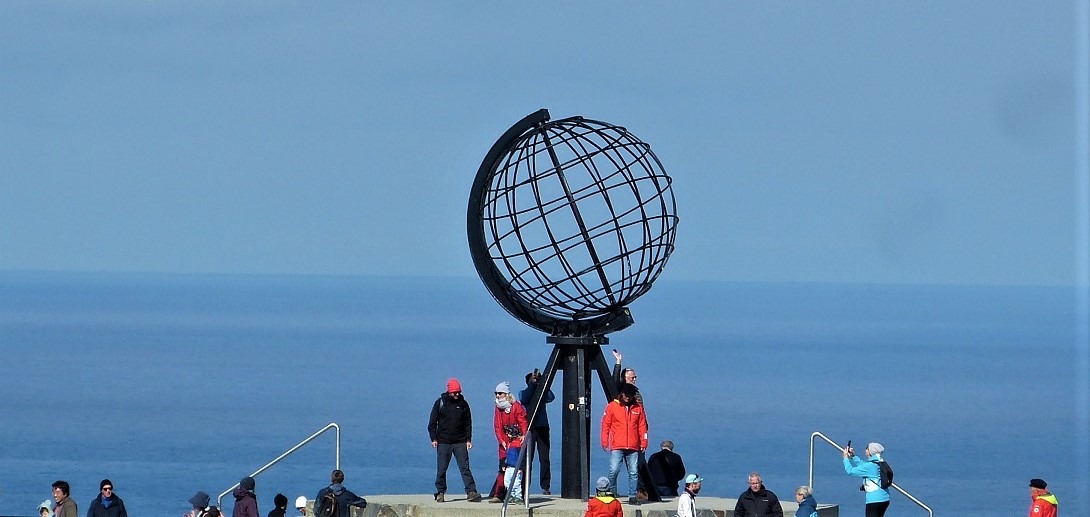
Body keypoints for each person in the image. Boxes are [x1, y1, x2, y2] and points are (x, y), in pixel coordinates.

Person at [427, 377, 482, 503]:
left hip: (460, 442)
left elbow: (468, 423)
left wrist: (468, 439)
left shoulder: (463, 404)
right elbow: (432, 423)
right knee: (442, 469)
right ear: (449, 392)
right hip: (443, 442)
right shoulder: (440, 403)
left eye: (458, 392)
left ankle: (471, 492)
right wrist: (433, 438)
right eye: (454, 393)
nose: (457, 395)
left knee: (465, 468)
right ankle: (440, 492)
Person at [600, 382, 648, 505]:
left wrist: (644, 441)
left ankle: (632, 496)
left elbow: (642, 426)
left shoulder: (638, 408)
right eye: (626, 395)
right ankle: (611, 494)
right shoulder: (612, 406)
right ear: (621, 394)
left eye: (630, 395)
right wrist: (605, 441)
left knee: (633, 472)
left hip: (633, 445)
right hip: (617, 445)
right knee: (614, 470)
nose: (627, 397)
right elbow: (606, 424)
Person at [517, 369, 555, 495]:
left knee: (544, 458)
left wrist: (542, 383)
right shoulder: (523, 393)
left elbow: (551, 397)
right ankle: (525, 485)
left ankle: (545, 486)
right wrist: (532, 385)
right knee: (528, 458)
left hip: (542, 427)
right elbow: (524, 398)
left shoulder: (541, 393)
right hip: (530, 428)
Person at [489, 381, 528, 502]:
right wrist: (501, 440)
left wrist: (524, 435)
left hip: (516, 443)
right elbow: (497, 425)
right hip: (504, 444)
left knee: (518, 469)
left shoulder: (516, 406)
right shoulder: (498, 408)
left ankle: (519, 495)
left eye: (500, 393)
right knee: (503, 468)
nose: (497, 396)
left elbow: (523, 421)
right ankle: (499, 494)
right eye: (496, 393)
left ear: (506, 394)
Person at [843, 442, 891, 517]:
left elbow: (850, 471)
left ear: (870, 452)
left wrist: (845, 458)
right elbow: (863, 465)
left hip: (874, 500)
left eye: (867, 449)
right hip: (884, 498)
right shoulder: (879, 463)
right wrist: (853, 456)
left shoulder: (870, 466)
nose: (865, 450)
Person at [501, 427, 526, 505]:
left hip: (517, 467)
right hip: (509, 466)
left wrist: (521, 467)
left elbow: (522, 456)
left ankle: (518, 497)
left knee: (516, 482)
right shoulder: (509, 443)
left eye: (509, 433)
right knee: (506, 481)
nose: (507, 434)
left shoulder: (519, 443)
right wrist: (505, 464)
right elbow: (507, 455)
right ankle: (511, 495)